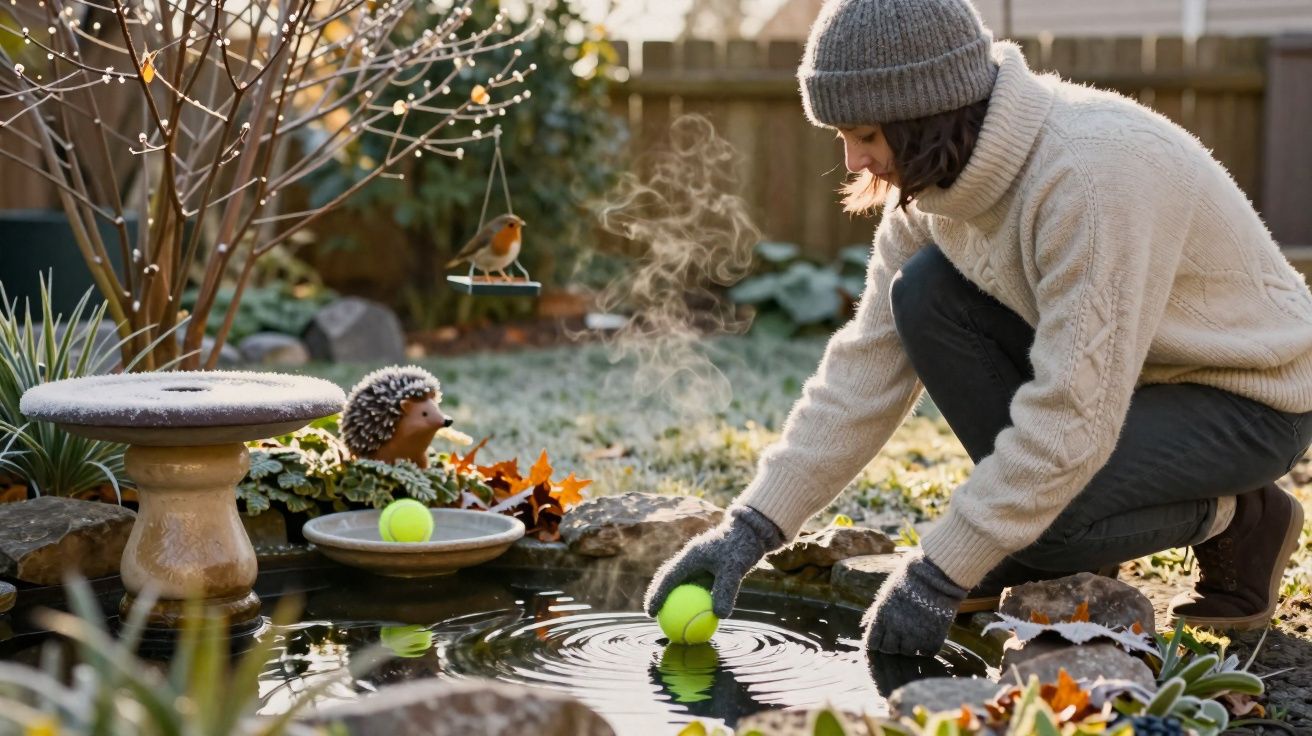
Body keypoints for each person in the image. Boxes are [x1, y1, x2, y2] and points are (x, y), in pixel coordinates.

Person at [645, 0, 1312, 659]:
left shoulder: (1086, 175)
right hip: (1128, 384)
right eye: (840, 137)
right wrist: (748, 530)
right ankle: (1064, 532)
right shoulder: (932, 201)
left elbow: (1072, 421)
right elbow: (861, 375)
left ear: (925, 115)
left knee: (1043, 524)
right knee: (926, 293)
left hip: (1248, 394)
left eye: (867, 136)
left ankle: (1242, 519)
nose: (852, 162)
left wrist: (939, 571)